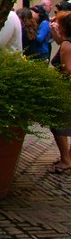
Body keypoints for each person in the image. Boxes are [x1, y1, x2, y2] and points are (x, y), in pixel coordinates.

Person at [47, 10, 71, 174]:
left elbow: (68, 69)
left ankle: (65, 159)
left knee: (57, 124)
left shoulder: (67, 44)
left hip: (65, 89)